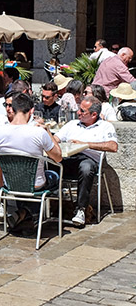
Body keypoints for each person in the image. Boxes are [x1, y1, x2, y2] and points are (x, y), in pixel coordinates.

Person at [0, 93, 62, 227]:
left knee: (22, 182)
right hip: (35, 185)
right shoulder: (39, 132)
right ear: (31, 111)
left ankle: (24, 214)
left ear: (13, 108)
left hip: (10, 184)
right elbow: (58, 157)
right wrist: (48, 132)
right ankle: (29, 214)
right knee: (54, 176)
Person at [53, 96, 118, 226]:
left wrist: (86, 144)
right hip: (68, 158)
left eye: (82, 111)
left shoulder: (105, 126)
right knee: (46, 163)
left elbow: (113, 146)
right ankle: (43, 208)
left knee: (86, 168)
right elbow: (55, 139)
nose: (78, 113)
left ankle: (81, 209)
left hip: (88, 160)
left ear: (94, 114)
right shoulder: (72, 124)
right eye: (79, 109)